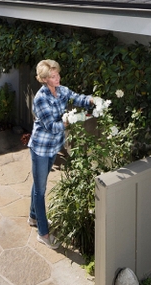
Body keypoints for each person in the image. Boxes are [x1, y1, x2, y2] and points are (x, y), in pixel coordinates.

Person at [28, 59, 92, 249]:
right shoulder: (41, 99)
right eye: (53, 76)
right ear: (44, 79)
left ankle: (33, 217)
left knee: (39, 184)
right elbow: (52, 126)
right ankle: (43, 233)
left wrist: (91, 100)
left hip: (53, 147)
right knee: (40, 190)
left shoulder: (61, 90)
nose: (58, 78)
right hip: (41, 148)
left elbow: (77, 98)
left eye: (58, 74)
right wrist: (74, 118)